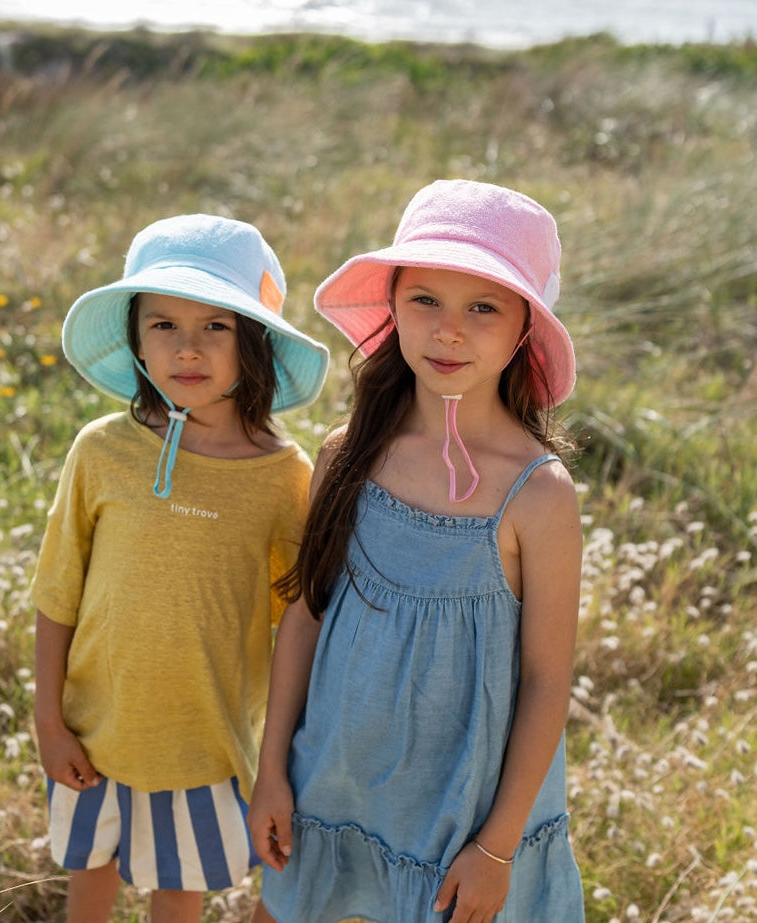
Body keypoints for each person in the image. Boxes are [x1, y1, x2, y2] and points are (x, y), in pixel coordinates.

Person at [248, 179, 585, 922]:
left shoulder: (538, 493)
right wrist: (272, 769)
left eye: (482, 306)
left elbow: (543, 681)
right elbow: (306, 615)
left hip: (459, 815)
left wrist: (496, 848)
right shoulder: (349, 451)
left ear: (525, 326)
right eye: (424, 299)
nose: (448, 331)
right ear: (392, 305)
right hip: (329, 783)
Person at [30, 214, 329, 923]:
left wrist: (280, 757)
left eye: (215, 327)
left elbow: (300, 624)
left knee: (177, 889)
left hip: (206, 739)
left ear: (253, 343)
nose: (187, 348)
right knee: (90, 869)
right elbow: (56, 590)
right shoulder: (101, 449)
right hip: (90, 726)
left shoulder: (285, 478)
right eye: (162, 324)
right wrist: (48, 717)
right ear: (135, 337)